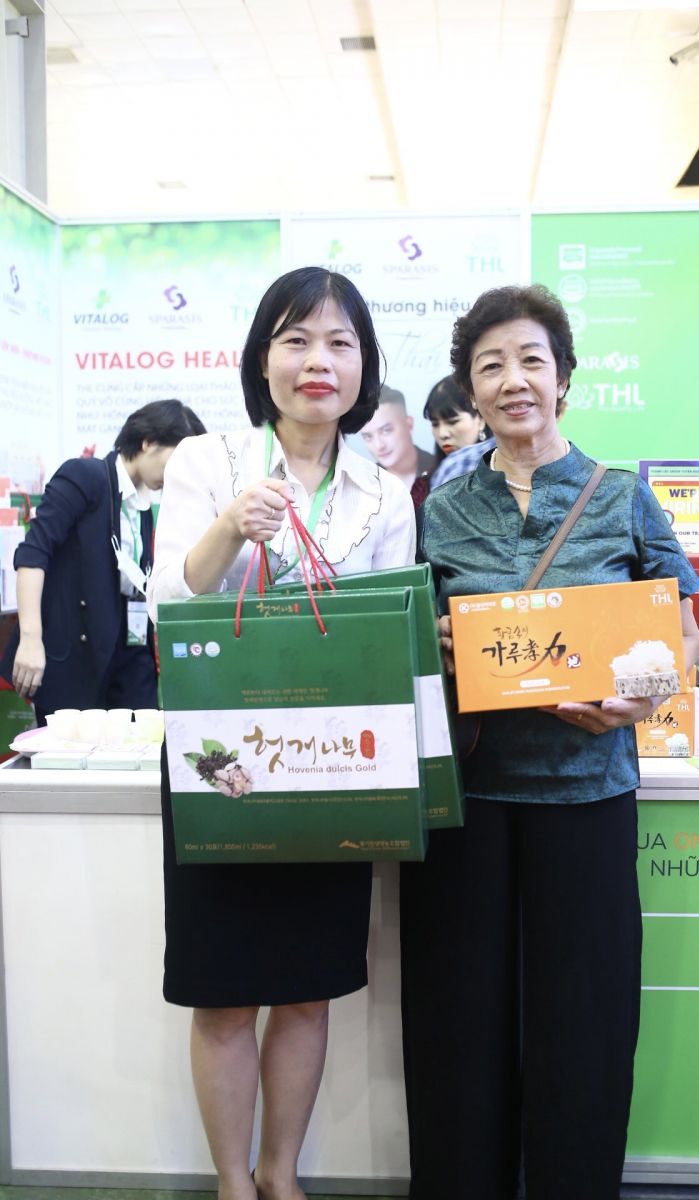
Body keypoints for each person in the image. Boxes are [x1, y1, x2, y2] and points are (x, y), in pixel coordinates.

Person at [399, 284, 699, 1200]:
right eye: (490, 365)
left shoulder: (622, 497)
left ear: (563, 378)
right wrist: (434, 641)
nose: (513, 380)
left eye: (531, 359)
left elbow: (681, 638)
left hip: (588, 792)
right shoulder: (442, 508)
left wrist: (637, 700)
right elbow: (409, 638)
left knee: (585, 1020)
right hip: (469, 797)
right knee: (459, 1023)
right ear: (472, 390)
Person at [148, 266, 416, 1200]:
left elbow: (389, 639)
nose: (317, 361)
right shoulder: (207, 461)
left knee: (306, 988)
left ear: (364, 366)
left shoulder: (385, 492)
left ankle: (281, 1176)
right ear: (262, 359)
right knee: (224, 992)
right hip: (220, 763)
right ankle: (233, 1183)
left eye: (340, 343)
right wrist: (231, 527)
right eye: (296, 340)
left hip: (330, 765)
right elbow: (168, 603)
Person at [2, 399, 206, 723]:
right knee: (72, 750)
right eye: (176, 461)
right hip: (75, 659)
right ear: (148, 442)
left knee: (143, 744)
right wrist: (30, 638)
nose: (177, 476)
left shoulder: (142, 504)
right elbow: (33, 554)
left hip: (128, 655)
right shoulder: (85, 476)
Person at [412, 374, 491, 506]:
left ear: (481, 419)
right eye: (435, 424)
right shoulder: (421, 488)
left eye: (452, 422)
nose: (442, 434)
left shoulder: (506, 475)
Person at [360, 384, 436, 489]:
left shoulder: (441, 471)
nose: (379, 445)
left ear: (409, 424)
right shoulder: (363, 484)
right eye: (368, 437)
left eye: (386, 430)